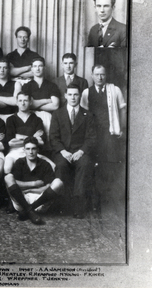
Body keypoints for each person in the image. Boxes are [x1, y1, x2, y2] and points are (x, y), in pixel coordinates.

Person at [49, 84, 97, 218]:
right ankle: (64, 206)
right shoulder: (57, 114)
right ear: (65, 96)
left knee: (84, 164)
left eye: (76, 94)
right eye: (70, 94)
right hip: (62, 152)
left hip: (80, 152)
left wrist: (81, 151)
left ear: (80, 96)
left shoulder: (88, 115)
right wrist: (63, 152)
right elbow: (53, 137)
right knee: (61, 165)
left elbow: (91, 138)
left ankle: (78, 206)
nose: (73, 97)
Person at [5, 137, 63, 224]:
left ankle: (28, 210)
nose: (30, 152)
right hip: (21, 199)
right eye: (28, 149)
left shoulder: (45, 164)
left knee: (58, 182)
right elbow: (14, 182)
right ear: (24, 150)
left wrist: (31, 189)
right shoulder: (19, 162)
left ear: (38, 150)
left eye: (33, 148)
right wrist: (34, 183)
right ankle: (30, 211)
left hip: (39, 201)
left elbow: (48, 186)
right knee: (8, 177)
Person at [80, 65, 127, 164]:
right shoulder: (86, 92)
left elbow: (123, 110)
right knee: (93, 162)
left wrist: (122, 128)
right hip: (93, 133)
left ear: (106, 75)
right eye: (97, 75)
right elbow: (82, 115)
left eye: (102, 74)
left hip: (110, 132)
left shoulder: (115, 90)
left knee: (110, 162)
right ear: (92, 75)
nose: (100, 78)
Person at [4, 91, 46, 176]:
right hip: (14, 152)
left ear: (30, 102)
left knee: (53, 166)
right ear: (17, 102)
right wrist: (32, 138)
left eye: (25, 100)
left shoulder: (37, 120)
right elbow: (10, 143)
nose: (22, 103)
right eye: (20, 100)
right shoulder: (11, 119)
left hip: (33, 152)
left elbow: (41, 142)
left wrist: (18, 137)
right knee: (7, 168)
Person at [21, 57, 60, 137]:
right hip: (31, 117)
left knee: (48, 142)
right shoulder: (27, 86)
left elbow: (55, 105)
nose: (37, 69)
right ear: (31, 69)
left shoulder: (52, 86)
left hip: (47, 117)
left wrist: (35, 104)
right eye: (35, 66)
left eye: (40, 66)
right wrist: (47, 100)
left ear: (44, 68)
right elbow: (28, 104)